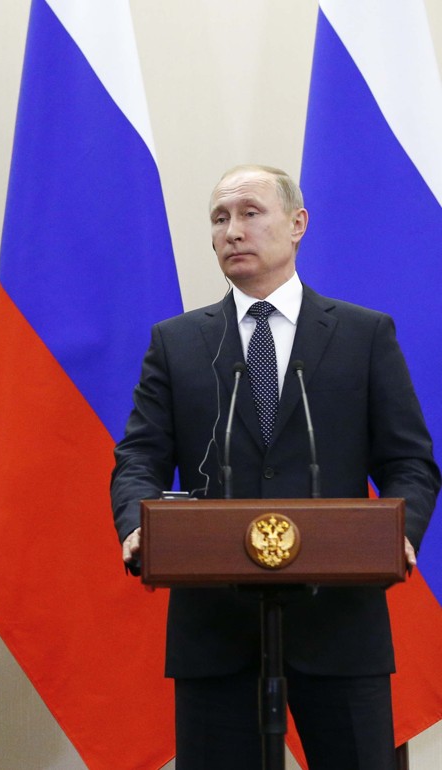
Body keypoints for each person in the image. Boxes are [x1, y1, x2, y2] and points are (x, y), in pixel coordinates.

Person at [111, 165, 440, 769]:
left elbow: (410, 463)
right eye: (219, 219)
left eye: (249, 213)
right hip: (216, 628)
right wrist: (137, 524)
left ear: (297, 224)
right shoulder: (177, 343)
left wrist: (401, 534)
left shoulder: (363, 336)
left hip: (341, 624)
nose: (233, 230)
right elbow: (139, 456)